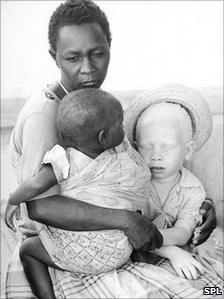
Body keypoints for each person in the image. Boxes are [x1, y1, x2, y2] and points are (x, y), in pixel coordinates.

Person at [4, 0, 216, 298]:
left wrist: (194, 210)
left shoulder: (94, 105)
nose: (88, 69)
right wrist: (127, 220)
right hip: (63, 247)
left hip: (111, 238)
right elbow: (39, 206)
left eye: (97, 54)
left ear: (110, 47)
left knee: (203, 282)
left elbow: (127, 175)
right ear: (55, 57)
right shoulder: (46, 116)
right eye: (73, 58)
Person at [8, 88, 152, 298]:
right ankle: (145, 266)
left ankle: (47, 296)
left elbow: (34, 186)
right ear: (103, 137)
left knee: (28, 249)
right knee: (134, 213)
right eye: (120, 124)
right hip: (121, 252)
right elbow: (134, 192)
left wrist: (13, 200)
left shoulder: (62, 160)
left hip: (78, 257)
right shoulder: (119, 160)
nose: (123, 128)